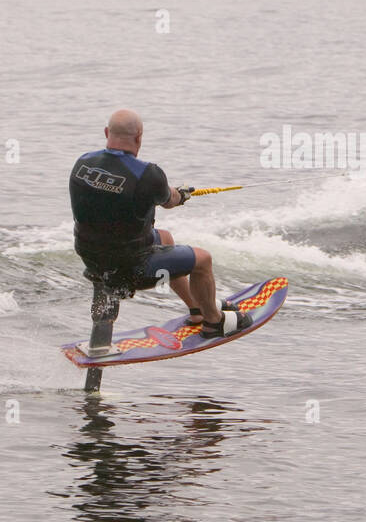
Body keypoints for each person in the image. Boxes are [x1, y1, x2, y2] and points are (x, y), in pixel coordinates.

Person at [70, 109, 250, 357]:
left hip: (92, 257)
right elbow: (169, 199)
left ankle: (197, 308)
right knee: (203, 260)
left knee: (164, 237)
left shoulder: (83, 163)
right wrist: (182, 194)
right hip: (129, 268)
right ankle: (213, 322)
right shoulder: (148, 174)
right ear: (139, 137)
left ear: (106, 133)